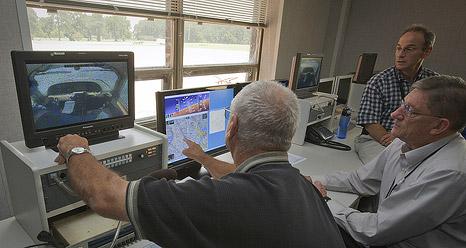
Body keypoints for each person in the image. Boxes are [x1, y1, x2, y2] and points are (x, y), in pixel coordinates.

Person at [54, 80, 345, 247]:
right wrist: (203, 158)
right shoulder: (307, 188)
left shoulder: (217, 200)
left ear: (231, 127)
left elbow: (103, 197)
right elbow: (246, 181)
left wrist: (76, 149)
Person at [311, 75, 466, 247]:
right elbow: (360, 180)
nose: (394, 114)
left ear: (439, 126)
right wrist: (311, 180)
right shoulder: (406, 140)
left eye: (409, 110)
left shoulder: (450, 173)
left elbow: (374, 231)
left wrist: (325, 201)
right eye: (403, 104)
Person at [356, 24, 439, 164]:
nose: (401, 54)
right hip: (380, 140)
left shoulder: (435, 84)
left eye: (409, 49)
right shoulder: (379, 81)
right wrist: (396, 142)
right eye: (399, 48)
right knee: (390, 167)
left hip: (417, 143)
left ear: (426, 52)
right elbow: (369, 121)